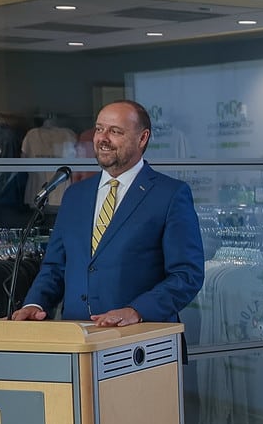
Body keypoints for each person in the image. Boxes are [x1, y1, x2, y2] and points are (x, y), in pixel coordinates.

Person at [11, 100, 203, 327]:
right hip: (77, 336)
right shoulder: (75, 195)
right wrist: (35, 304)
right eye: (99, 129)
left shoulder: (170, 195)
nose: (102, 138)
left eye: (115, 131)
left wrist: (137, 311)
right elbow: (55, 266)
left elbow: (186, 274)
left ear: (142, 138)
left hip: (138, 335)